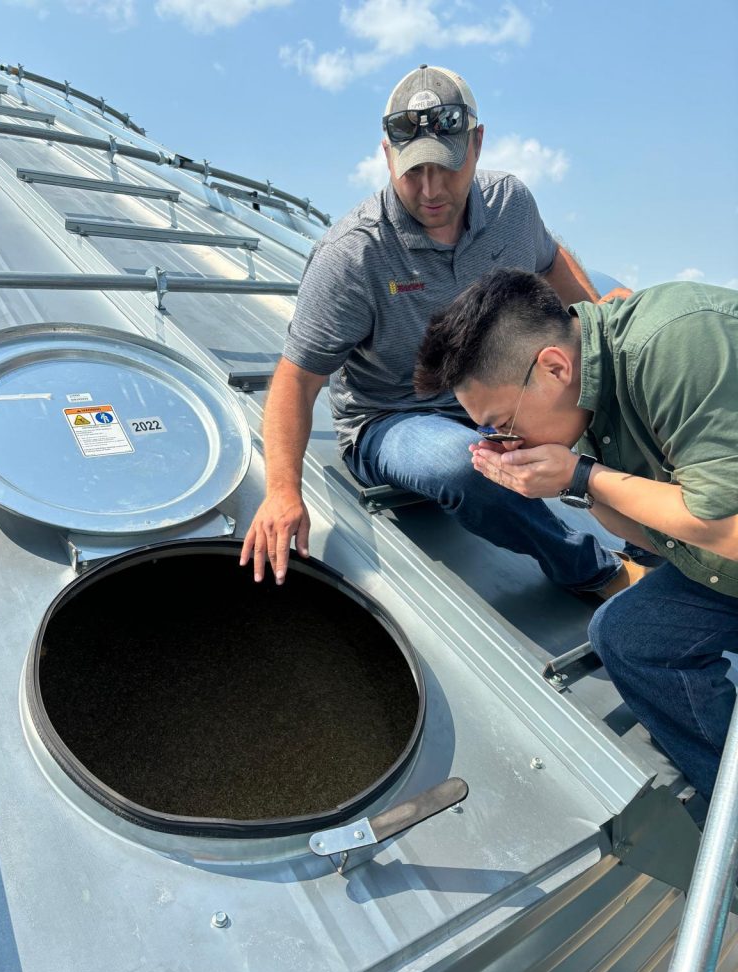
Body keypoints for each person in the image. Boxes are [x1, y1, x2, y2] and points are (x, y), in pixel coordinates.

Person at [240, 63, 642, 598]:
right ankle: (591, 570)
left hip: (491, 395)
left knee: (597, 386)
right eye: (412, 172)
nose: (430, 190)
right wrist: (282, 491)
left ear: (476, 144)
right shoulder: (353, 255)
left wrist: (598, 334)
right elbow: (297, 379)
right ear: (387, 155)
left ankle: (658, 541)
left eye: (446, 168)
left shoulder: (510, 204)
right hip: (392, 417)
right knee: (464, 464)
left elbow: (549, 261)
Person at [414, 267, 738, 798]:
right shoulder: (581, 398)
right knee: (627, 636)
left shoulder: (678, 342)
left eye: (502, 424)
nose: (502, 440)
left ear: (554, 367)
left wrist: (583, 475)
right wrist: (573, 485)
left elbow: (727, 530)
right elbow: (658, 538)